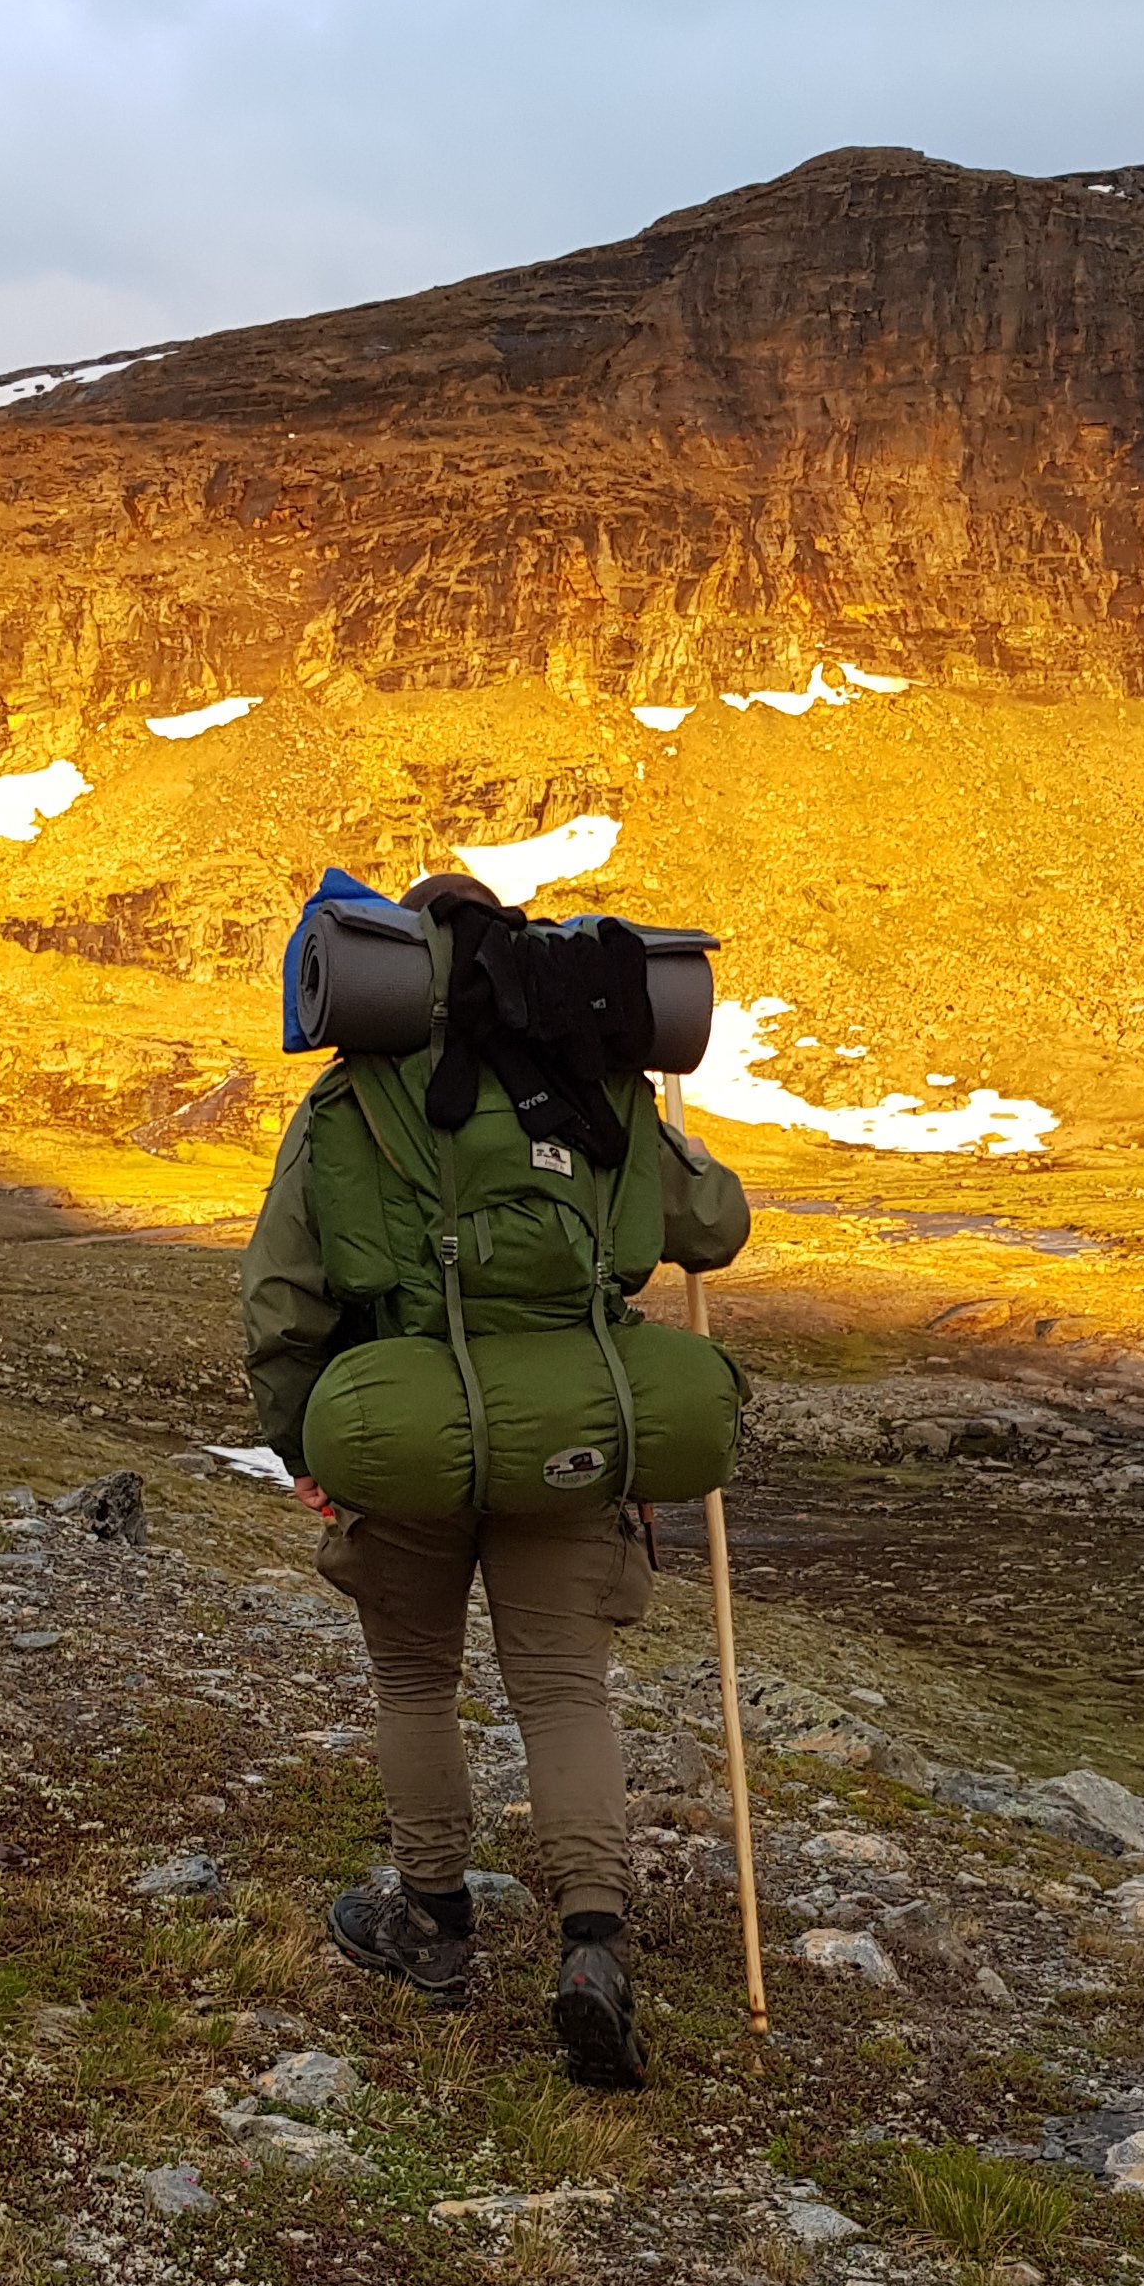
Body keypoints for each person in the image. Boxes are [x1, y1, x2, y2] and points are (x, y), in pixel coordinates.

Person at [238, 871, 751, 2086]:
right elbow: (714, 1228)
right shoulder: (597, 1080)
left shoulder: (351, 1099)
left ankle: (434, 1926)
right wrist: (666, 1135)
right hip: (577, 1425)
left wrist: (306, 1445)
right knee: (565, 1693)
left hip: (407, 1430)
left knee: (417, 1681)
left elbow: (281, 1296)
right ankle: (592, 1947)